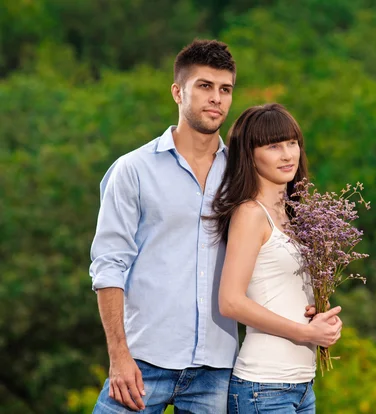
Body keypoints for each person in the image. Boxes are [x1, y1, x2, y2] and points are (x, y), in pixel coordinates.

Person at [89, 39, 239, 413]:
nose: (216, 99)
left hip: (217, 369)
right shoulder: (133, 170)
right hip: (142, 362)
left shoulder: (242, 172)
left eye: (225, 90)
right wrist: (119, 355)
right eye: (204, 86)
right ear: (177, 91)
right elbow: (109, 266)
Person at [211, 103, 343, 413]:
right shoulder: (250, 214)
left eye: (292, 143)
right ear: (250, 155)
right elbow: (230, 301)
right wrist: (305, 332)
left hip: (302, 386)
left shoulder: (298, 217)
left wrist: (322, 320)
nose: (287, 154)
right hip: (264, 386)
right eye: (273, 146)